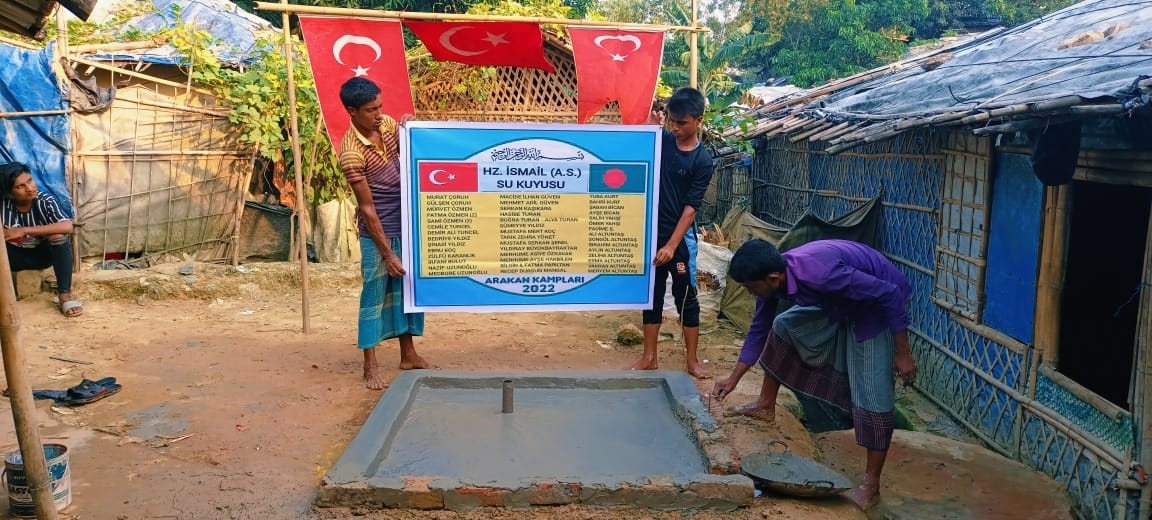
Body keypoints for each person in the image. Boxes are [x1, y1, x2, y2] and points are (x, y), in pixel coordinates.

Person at [711, 238, 918, 510]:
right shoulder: (775, 276)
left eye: (751, 288)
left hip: (876, 306)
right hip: (838, 303)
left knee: (872, 389)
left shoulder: (820, 274)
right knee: (784, 326)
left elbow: (889, 294)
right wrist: (733, 379)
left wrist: (903, 353)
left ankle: (871, 486)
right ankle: (765, 404)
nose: (750, 293)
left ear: (773, 278)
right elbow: (760, 328)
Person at [338, 77, 430, 389]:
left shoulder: (388, 124)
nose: (378, 114)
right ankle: (370, 364)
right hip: (377, 231)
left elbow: (410, 154)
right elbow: (367, 209)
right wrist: (387, 253)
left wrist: (410, 129)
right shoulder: (351, 153)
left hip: (406, 223)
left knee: (406, 291)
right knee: (374, 294)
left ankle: (409, 354)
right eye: (370, 110)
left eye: (380, 106)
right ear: (352, 111)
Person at [628, 87, 714, 379]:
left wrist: (671, 245)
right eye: (672, 121)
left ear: (698, 121)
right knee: (650, 295)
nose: (675, 128)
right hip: (651, 234)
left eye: (682, 123)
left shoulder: (702, 161)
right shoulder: (663, 141)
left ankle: (692, 361)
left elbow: (690, 209)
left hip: (679, 240)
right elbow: (638, 143)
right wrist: (651, 125)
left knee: (686, 296)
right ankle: (649, 357)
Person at [0, 162, 81, 317]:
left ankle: (64, 296)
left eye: (30, 180)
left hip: (42, 256)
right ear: (9, 192)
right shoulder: (3, 205)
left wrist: (24, 230)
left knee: (58, 237)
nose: (30, 188)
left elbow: (67, 226)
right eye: (20, 186)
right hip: (11, 258)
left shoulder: (45, 201)